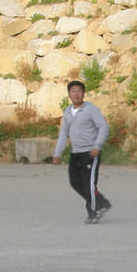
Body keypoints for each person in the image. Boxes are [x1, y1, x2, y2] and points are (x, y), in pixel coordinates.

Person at [52, 79, 112, 224]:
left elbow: (103, 127)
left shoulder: (91, 109)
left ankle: (93, 212)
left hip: (90, 153)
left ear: (83, 94)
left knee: (89, 184)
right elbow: (63, 134)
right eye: (73, 91)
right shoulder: (67, 111)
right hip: (75, 153)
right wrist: (57, 153)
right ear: (69, 94)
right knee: (75, 183)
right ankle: (100, 202)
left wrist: (97, 146)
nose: (76, 94)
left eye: (79, 91)